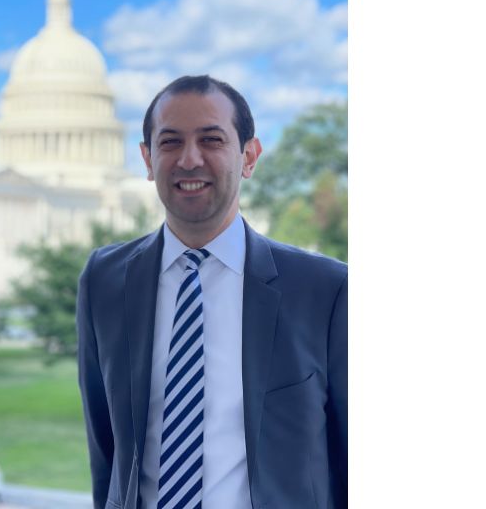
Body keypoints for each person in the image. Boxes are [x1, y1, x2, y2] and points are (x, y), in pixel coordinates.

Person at [76, 75, 346, 509]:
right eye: (170, 142)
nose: (189, 160)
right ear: (147, 159)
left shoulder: (326, 291)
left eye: (212, 140)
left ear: (249, 156)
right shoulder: (104, 281)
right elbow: (106, 452)